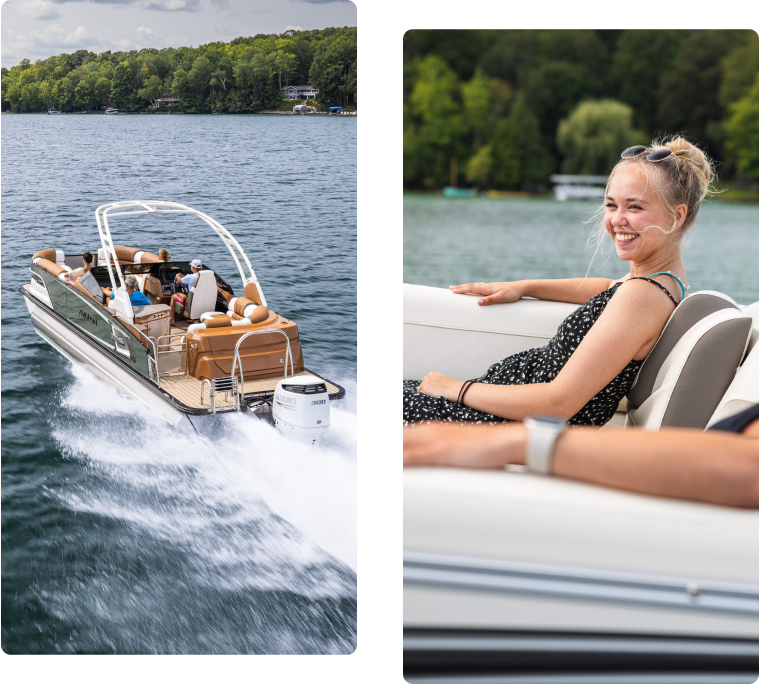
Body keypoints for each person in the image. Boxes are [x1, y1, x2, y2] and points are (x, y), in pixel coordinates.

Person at [404, 137, 715, 428]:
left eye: (634, 207)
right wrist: (525, 287)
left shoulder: (642, 296)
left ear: (677, 216)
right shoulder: (660, 281)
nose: (617, 219)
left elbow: (558, 403)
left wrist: (454, 388)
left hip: (511, 424)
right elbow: (609, 287)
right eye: (611, 205)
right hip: (504, 410)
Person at [403, 404, 759, 509]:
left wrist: (523, 441)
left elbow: (750, 470)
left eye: (635, 215)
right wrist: (527, 285)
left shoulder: (649, 292)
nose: (617, 219)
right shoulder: (635, 284)